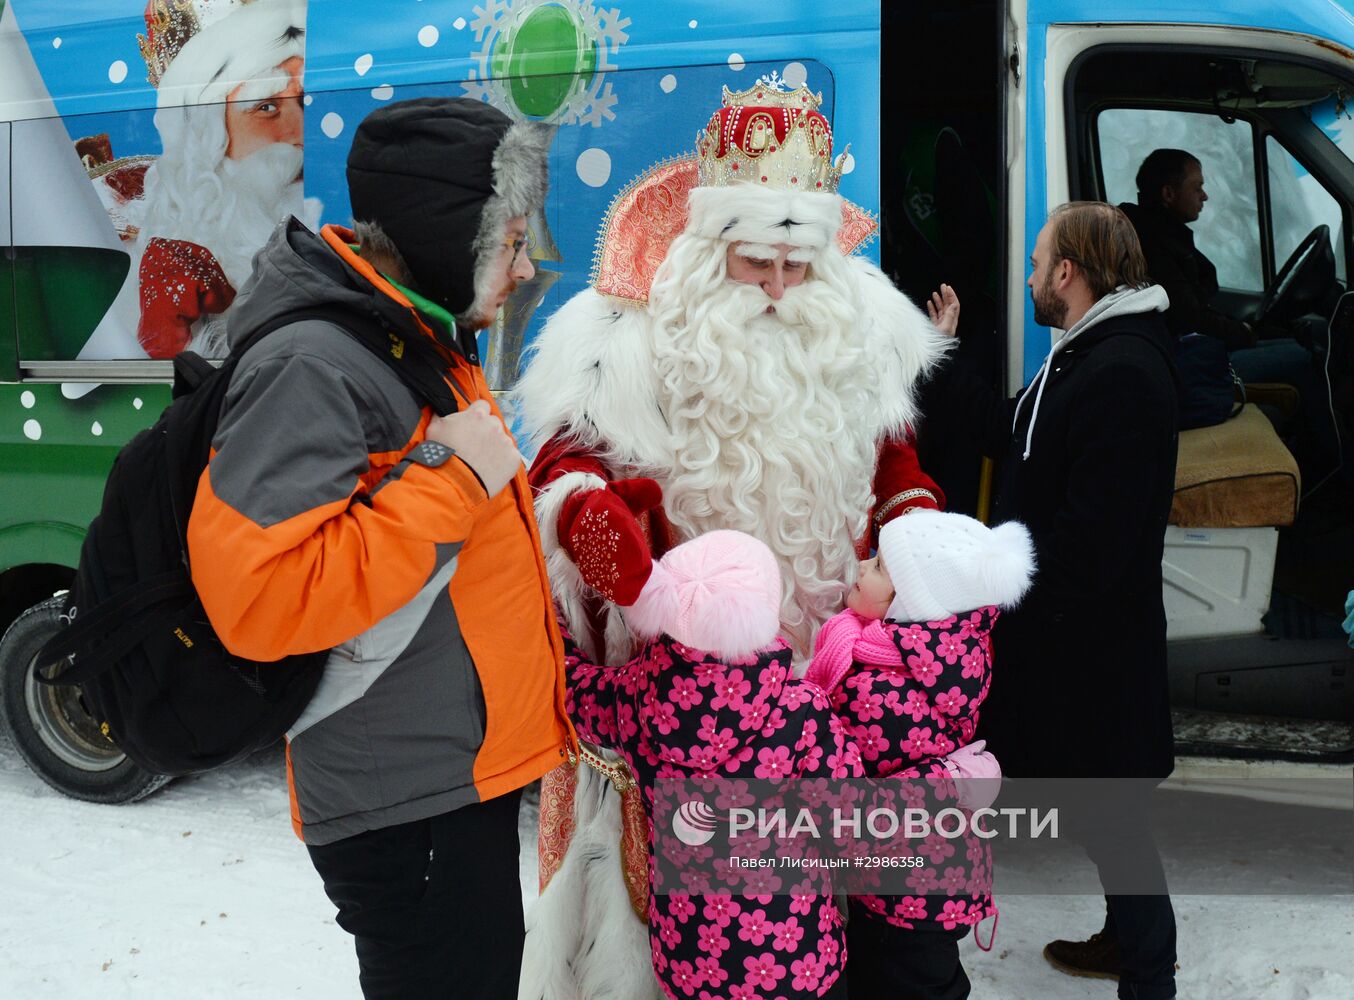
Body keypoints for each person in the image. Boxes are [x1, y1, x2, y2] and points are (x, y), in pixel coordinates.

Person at [512, 79, 953, 1000]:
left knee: (862, 925)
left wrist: (914, 527)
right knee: (714, 947)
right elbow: (563, 462)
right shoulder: (632, 336)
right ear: (711, 248)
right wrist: (596, 526)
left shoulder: (858, 328)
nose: (781, 291)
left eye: (799, 267)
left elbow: (895, 464)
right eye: (758, 265)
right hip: (694, 715)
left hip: (840, 687)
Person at [184, 97, 574, 1000]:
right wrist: (452, 478)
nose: (524, 266)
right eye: (509, 240)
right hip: (405, 799)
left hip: (446, 775)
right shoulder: (315, 364)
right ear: (447, 229)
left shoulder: (412, 331)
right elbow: (259, 598)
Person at [562, 528, 1002, 1000]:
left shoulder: (635, 699)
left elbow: (574, 688)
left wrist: (553, 625)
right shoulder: (800, 711)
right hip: (797, 961)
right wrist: (945, 783)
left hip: (692, 960)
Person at [925, 202, 1180, 1000]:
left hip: (1096, 654)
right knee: (1105, 815)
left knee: (1116, 821)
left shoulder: (1124, 372)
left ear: (1069, 272)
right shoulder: (1086, 353)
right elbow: (1010, 431)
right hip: (1075, 646)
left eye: (1038, 262)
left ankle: (1150, 978)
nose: (1030, 276)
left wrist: (997, 590)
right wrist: (946, 353)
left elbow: (1092, 546)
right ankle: (1124, 944)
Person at [805, 510, 1035, 1000]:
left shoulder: (875, 687)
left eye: (880, 568)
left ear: (908, 602)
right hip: (929, 870)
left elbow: (820, 747)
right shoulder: (946, 658)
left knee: (915, 984)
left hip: (907, 885)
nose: (862, 568)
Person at [89, 0, 316, 359]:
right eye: (267, 107)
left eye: (307, 102)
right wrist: (175, 343)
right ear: (206, 137)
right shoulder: (129, 249)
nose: (299, 132)